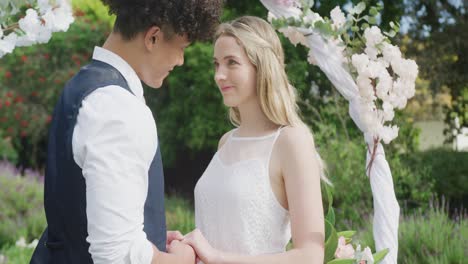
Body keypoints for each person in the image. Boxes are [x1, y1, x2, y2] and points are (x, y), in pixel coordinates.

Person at [30, 1, 222, 263]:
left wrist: (149, 239)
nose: (181, 61)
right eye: (181, 48)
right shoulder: (118, 110)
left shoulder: (85, 86)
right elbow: (116, 254)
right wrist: (182, 258)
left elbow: (81, 216)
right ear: (153, 38)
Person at [182, 16, 326, 264]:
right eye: (216, 64)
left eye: (232, 63)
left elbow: (310, 256)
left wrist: (216, 258)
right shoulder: (226, 142)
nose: (219, 75)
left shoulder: (292, 141)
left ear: (263, 67)